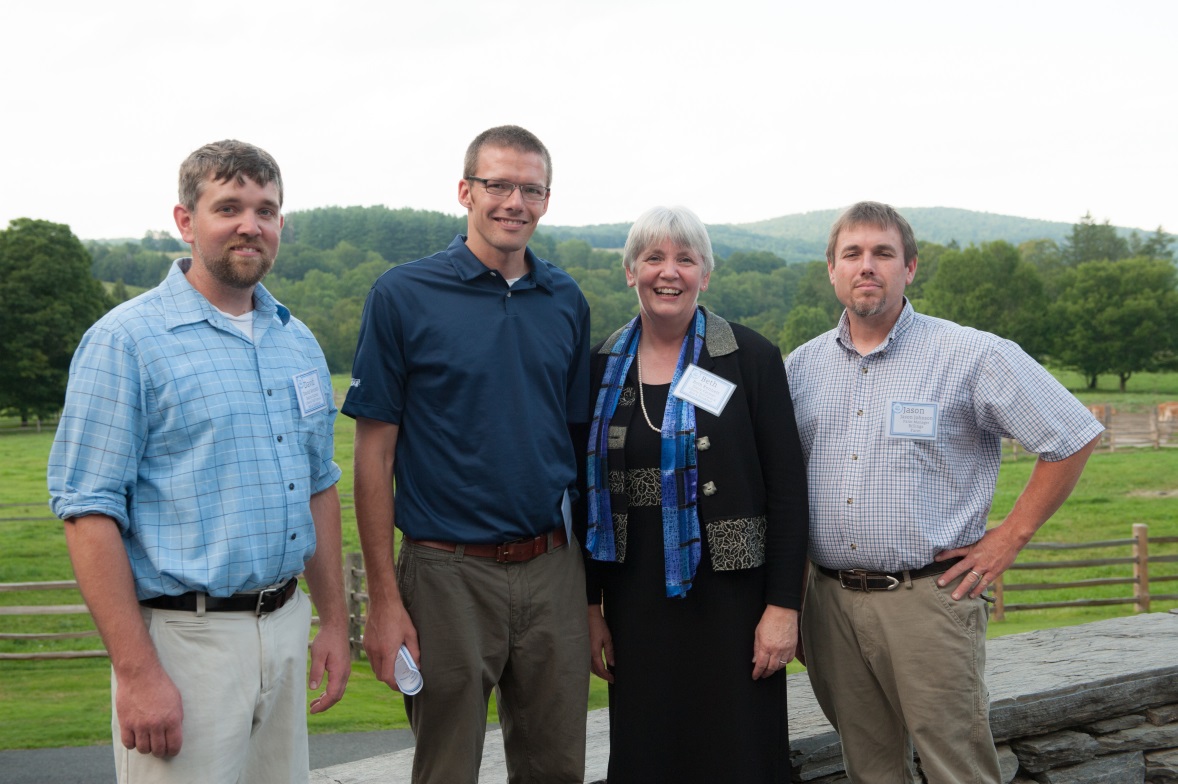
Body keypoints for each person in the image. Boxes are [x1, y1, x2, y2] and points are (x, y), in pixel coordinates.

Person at [46, 140, 351, 783]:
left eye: (266, 210)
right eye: (229, 206)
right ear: (186, 222)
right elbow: (88, 514)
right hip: (185, 644)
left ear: (280, 225)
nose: (251, 224)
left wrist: (332, 623)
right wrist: (137, 672)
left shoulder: (296, 340)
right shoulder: (125, 341)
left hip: (287, 624)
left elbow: (319, 487)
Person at [786, 201, 1104, 783]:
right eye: (852, 253)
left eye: (883, 253)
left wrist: (1009, 538)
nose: (867, 266)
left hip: (927, 601)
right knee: (868, 769)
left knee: (956, 769)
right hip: (828, 602)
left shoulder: (971, 355)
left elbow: (1072, 434)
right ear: (830, 268)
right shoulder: (801, 368)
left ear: (910, 267)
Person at [343, 125, 591, 784]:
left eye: (530, 189)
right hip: (445, 572)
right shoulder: (403, 295)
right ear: (465, 191)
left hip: (552, 567)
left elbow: (575, 446)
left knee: (557, 768)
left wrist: (591, 592)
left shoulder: (565, 300)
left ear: (546, 199)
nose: (515, 201)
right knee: (446, 769)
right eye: (498, 184)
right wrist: (385, 602)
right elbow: (373, 458)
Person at [584, 206, 809, 783]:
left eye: (686, 259)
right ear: (629, 270)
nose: (669, 271)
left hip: (735, 601)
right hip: (635, 602)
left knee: (739, 754)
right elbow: (582, 493)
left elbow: (787, 489)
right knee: (648, 750)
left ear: (705, 275)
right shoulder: (601, 366)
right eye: (654, 257)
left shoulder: (749, 358)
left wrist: (783, 608)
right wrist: (589, 607)